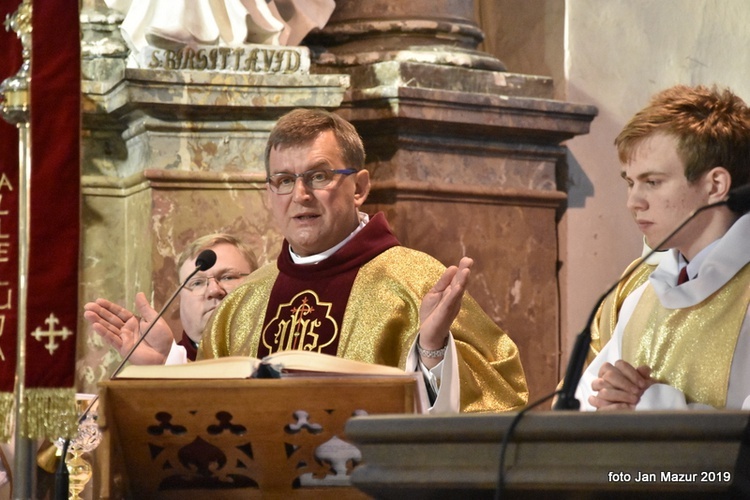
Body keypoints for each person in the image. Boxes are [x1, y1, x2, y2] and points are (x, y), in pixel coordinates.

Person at [575, 84, 750, 411]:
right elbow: (586, 403)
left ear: (715, 186)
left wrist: (653, 404)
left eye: (652, 182)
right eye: (630, 182)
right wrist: (609, 399)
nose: (633, 202)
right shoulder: (640, 297)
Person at [84, 233, 257, 363]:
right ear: (180, 299)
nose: (213, 290)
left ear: (258, 285)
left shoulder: (278, 353)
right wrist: (166, 359)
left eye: (228, 277)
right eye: (197, 283)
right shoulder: (161, 362)